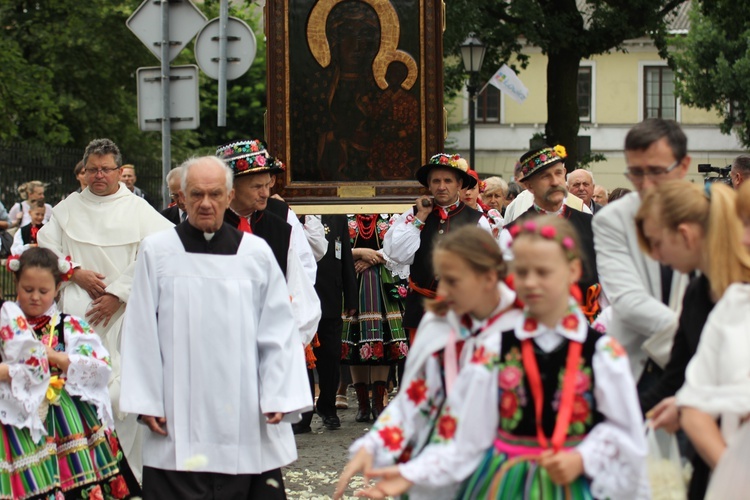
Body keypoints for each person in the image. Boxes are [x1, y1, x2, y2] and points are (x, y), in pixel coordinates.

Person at [357, 216, 648, 500]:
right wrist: (409, 475)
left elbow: (627, 434)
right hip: (504, 484)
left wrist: (584, 457)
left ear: (573, 270)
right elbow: (465, 438)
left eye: (543, 272)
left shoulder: (602, 352)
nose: (531, 282)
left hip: (575, 482)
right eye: (522, 272)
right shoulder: (495, 349)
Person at [119, 156, 312, 499]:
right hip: (177, 411)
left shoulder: (255, 254)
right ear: (182, 197)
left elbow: (278, 330)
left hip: (244, 409)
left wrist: (280, 392)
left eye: (214, 194)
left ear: (228, 196)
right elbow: (140, 330)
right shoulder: (158, 251)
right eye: (196, 194)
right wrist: (147, 400)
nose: (205, 203)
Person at [335, 226, 522, 500]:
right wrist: (374, 445)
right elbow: (417, 396)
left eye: (454, 280)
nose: (442, 290)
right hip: (439, 466)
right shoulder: (440, 320)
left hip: (500, 471)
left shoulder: (519, 330)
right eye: (441, 279)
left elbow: (479, 426)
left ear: (489, 277)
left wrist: (414, 473)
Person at [37, 138, 174, 480]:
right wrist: (75, 271)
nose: (99, 175)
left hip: (124, 314)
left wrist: (118, 293)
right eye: (92, 169)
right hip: (78, 311)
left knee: (123, 394)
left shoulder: (138, 210)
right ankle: (85, 473)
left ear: (118, 172)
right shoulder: (67, 209)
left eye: (106, 169)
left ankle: (131, 475)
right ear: (83, 173)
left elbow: (160, 250)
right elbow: (46, 246)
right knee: (78, 393)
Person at [634, 180, 750, 499]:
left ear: (684, 234)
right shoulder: (701, 292)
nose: (657, 256)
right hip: (718, 466)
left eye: (657, 244)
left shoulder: (734, 292)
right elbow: (681, 380)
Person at [3, 248, 141, 499]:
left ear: (57, 289)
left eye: (43, 291)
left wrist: (56, 357)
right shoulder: (7, 325)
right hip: (16, 419)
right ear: (16, 284)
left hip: (67, 418)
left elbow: (99, 367)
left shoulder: (69, 326)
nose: (35, 297)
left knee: (73, 485)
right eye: (27, 290)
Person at [592, 118, 691, 387]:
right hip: (636, 368)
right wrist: (699, 342)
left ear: (684, 166)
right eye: (636, 173)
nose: (645, 185)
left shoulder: (709, 214)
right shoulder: (611, 220)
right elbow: (627, 300)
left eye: (657, 172)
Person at [217, 140, 321, 347]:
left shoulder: (280, 226)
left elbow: (300, 284)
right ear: (231, 188)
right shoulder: (210, 227)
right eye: (257, 187)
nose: (265, 193)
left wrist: (291, 338)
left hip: (271, 338)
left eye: (266, 185)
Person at [383, 153, 491, 341]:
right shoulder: (414, 214)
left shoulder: (476, 220)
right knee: (422, 367)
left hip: (460, 311)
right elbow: (397, 254)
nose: (441, 187)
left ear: (459, 184)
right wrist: (420, 218)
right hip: (421, 309)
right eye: (436, 181)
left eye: (448, 181)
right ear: (429, 185)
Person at [505, 145, 599, 297]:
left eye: (558, 173)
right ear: (529, 186)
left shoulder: (590, 223)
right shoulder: (512, 232)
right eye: (545, 176)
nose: (555, 182)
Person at [295, 214, 358, 434]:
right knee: (300, 359)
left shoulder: (336, 216)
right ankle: (302, 415)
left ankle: (328, 407)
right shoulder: (290, 214)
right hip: (298, 298)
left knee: (330, 357)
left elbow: (346, 257)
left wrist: (351, 297)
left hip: (329, 296)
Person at [343, 213, 409, 422]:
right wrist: (359, 253)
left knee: (384, 338)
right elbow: (333, 247)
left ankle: (378, 402)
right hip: (351, 281)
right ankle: (363, 403)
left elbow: (402, 246)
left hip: (384, 280)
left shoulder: (391, 214)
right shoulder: (343, 214)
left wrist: (373, 258)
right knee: (355, 339)